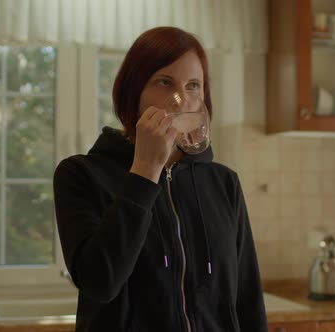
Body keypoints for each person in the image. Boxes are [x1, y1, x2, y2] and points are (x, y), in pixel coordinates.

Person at [53, 26, 267, 332]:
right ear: (134, 90)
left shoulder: (224, 182)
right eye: (165, 82)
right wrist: (144, 170)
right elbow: (100, 283)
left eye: (193, 85)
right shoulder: (80, 175)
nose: (180, 100)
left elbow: (247, 298)